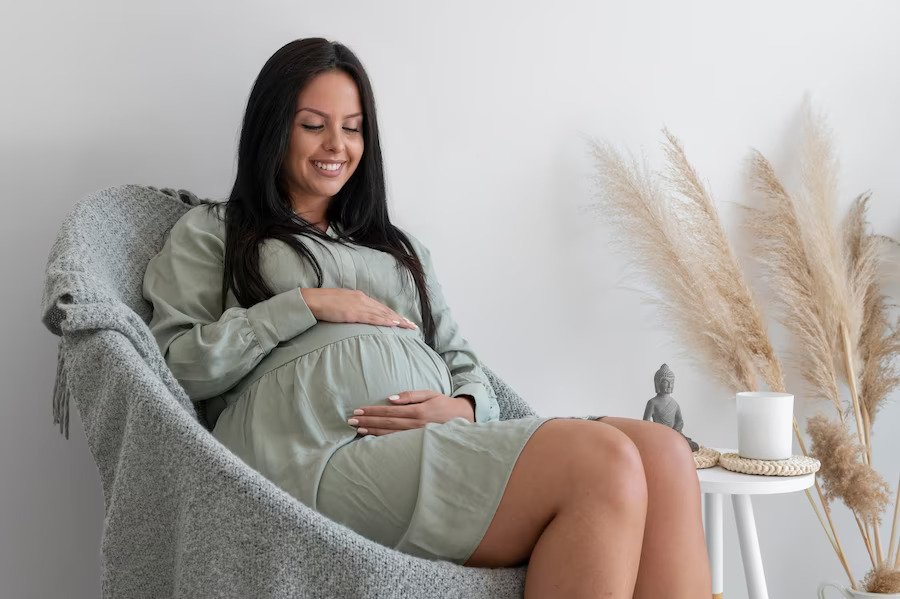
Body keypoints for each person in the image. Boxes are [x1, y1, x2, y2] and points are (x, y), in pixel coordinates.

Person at [141, 38, 711, 598]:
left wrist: (464, 408)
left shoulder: (398, 249)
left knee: (662, 452)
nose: (336, 144)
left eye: (353, 127)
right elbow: (175, 369)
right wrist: (304, 305)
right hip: (311, 455)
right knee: (599, 460)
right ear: (273, 129)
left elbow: (462, 361)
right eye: (313, 125)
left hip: (427, 444)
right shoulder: (216, 231)